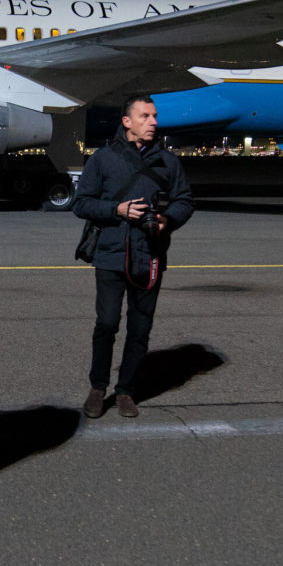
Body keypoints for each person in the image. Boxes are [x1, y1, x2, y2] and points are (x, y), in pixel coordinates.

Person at [72, 95, 194, 418]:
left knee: (140, 329)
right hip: (111, 254)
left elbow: (185, 200)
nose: (153, 121)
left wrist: (169, 219)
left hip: (150, 255)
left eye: (154, 116)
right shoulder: (102, 159)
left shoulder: (168, 162)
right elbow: (81, 203)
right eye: (145, 116)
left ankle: (126, 390)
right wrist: (117, 209)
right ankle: (98, 387)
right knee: (108, 323)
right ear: (127, 122)